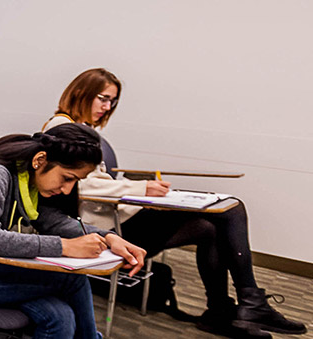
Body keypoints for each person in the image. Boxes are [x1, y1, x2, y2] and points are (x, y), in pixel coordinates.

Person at [43, 68, 307, 338]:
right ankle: (250, 304)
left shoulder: (80, 129)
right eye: (103, 98)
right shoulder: (60, 127)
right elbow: (82, 185)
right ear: (80, 93)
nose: (107, 107)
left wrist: (143, 191)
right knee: (230, 210)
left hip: (118, 216)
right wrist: (142, 188)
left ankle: (221, 311)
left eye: (112, 101)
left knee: (210, 227)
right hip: (107, 227)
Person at [0, 123, 147, 339]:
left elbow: (54, 222)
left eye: (74, 182)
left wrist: (109, 237)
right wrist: (65, 247)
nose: (67, 190)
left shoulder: (26, 179)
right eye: (67, 178)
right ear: (40, 160)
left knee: (60, 316)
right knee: (72, 281)